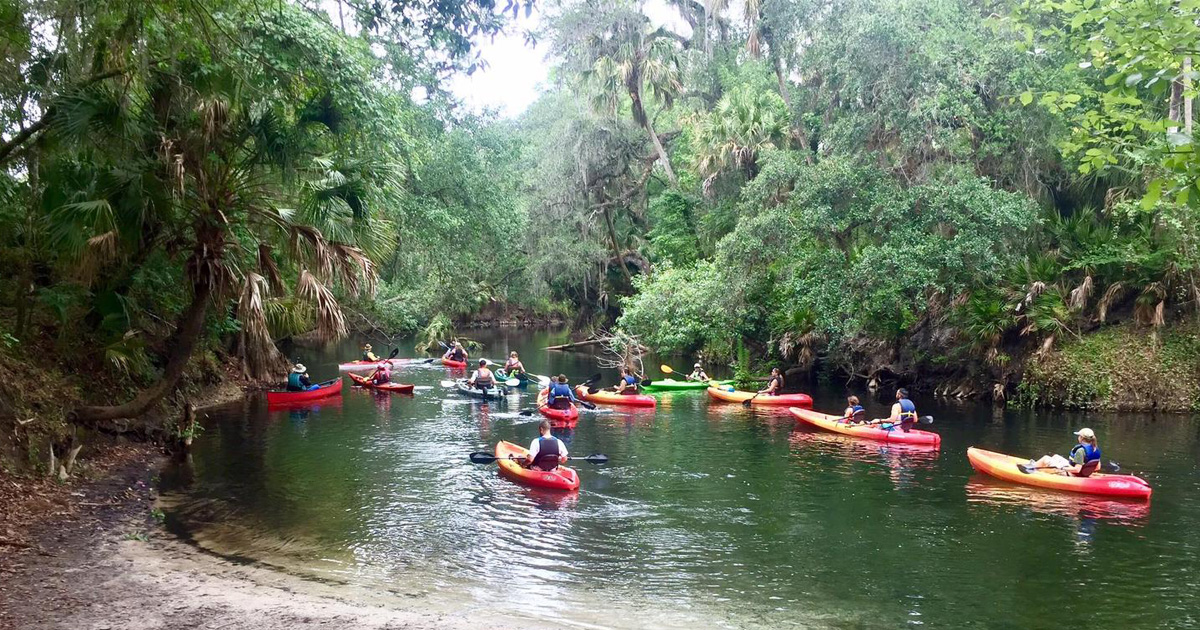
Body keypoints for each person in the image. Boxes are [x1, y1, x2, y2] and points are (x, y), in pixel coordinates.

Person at [1029, 428, 1102, 477]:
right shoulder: (1095, 449)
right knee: (1056, 457)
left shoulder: (1081, 451)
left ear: (1081, 438)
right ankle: (1039, 467)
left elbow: (1077, 470)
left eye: (1079, 436)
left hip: (1073, 475)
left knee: (1046, 458)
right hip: (1082, 473)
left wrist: (1062, 468)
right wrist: (1086, 470)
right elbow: (1097, 468)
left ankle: (1031, 469)